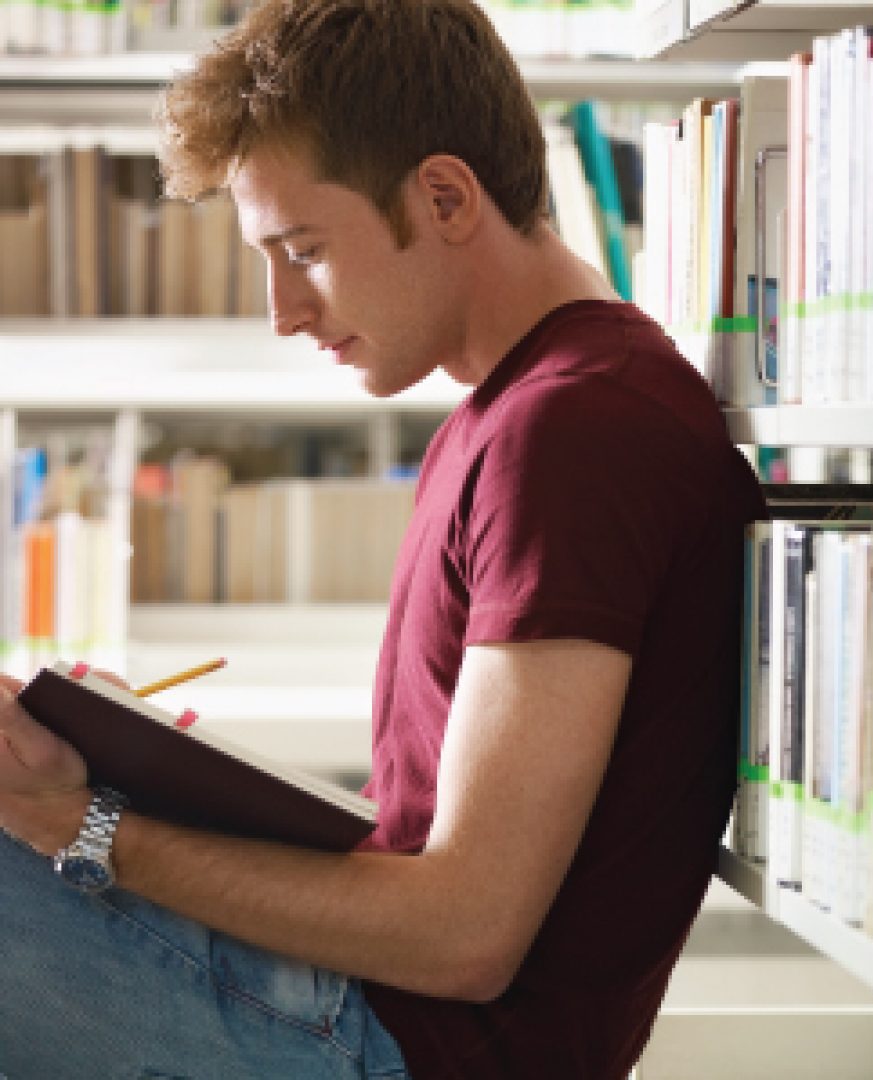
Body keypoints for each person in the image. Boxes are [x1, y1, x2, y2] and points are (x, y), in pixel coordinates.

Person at [0, 1, 765, 1076]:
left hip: (406, 1045)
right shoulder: (512, 415)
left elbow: (465, 933)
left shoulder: (579, 432)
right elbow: (419, 834)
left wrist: (86, 826)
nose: (282, 311)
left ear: (445, 196)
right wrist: (147, 778)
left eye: (303, 249)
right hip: (368, 1013)